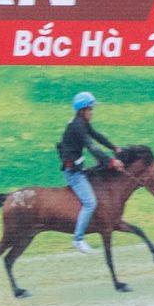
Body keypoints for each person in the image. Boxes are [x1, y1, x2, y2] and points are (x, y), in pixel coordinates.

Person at [53, 89, 121, 253]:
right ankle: (78, 239)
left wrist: (114, 147)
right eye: (91, 109)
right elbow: (92, 147)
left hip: (79, 167)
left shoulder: (81, 123)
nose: (92, 112)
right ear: (83, 110)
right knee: (90, 203)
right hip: (73, 173)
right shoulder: (77, 127)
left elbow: (96, 136)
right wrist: (111, 161)